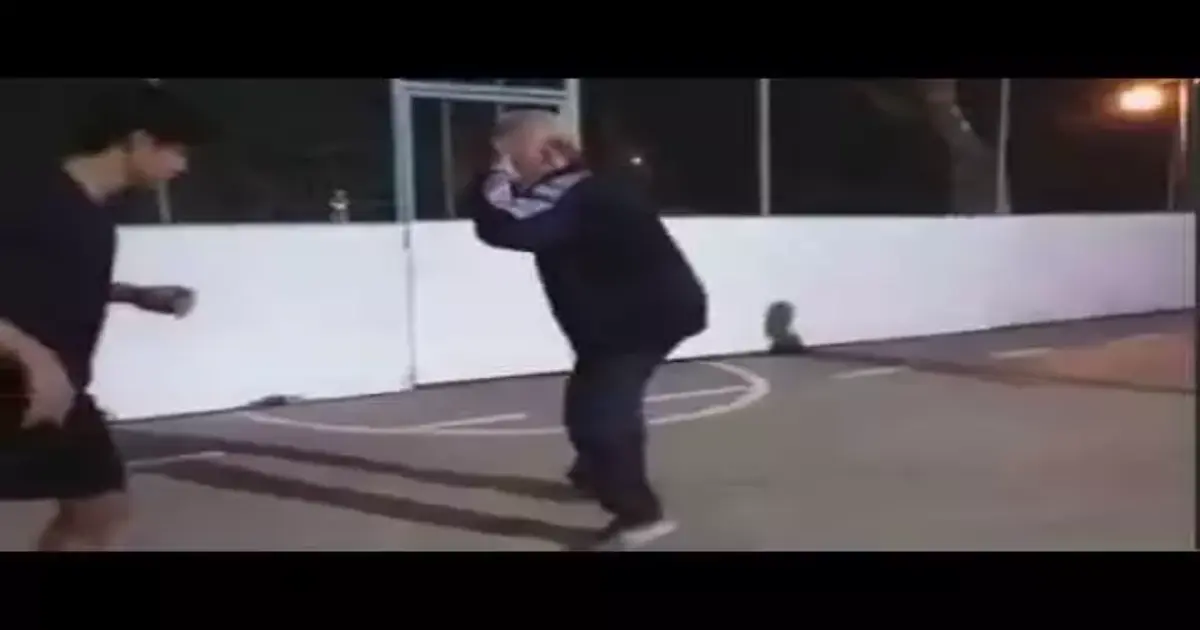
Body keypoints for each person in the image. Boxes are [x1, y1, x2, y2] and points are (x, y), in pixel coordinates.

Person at [462, 110, 708, 551]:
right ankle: (596, 472)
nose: (510, 172)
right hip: (628, 319)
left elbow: (512, 226)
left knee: (600, 418)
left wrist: (494, 174)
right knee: (592, 400)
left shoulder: (573, 190)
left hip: (637, 322)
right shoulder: (585, 185)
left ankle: (639, 515)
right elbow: (505, 215)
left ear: (544, 153)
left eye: (512, 160)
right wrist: (495, 173)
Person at [0, 81, 212, 551]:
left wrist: (133, 295)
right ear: (139, 140)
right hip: (13, 381)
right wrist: (29, 353)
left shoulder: (91, 213)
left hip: (58, 392)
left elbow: (37, 280)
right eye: (177, 151)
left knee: (101, 511)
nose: (182, 167)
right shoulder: (28, 193)